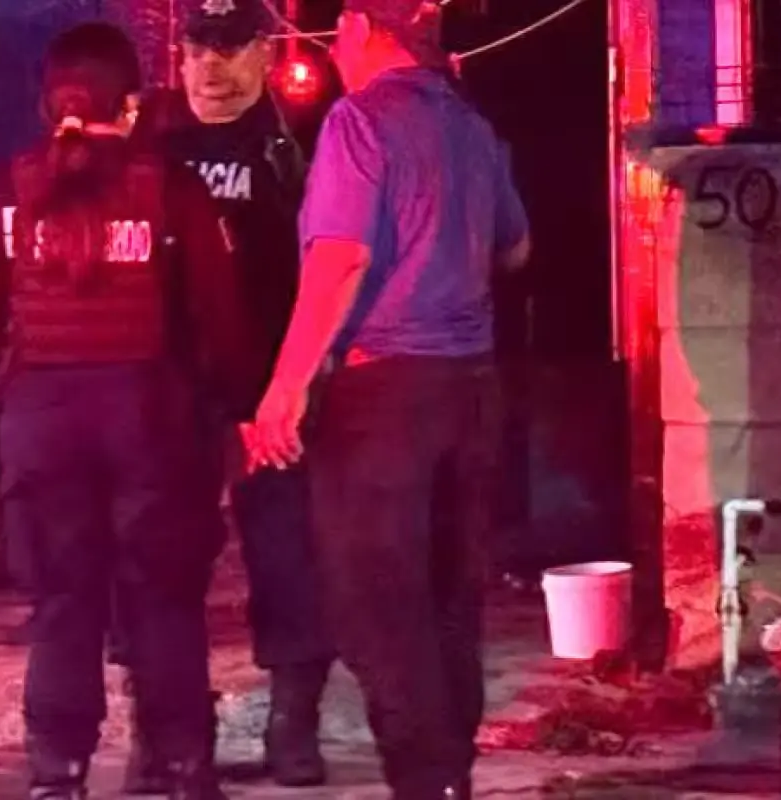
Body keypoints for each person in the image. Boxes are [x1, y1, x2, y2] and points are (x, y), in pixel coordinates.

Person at [0, 22, 252, 800]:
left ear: (48, 104)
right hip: (152, 423)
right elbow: (220, 317)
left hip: (42, 426)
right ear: (131, 106)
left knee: (63, 605)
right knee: (165, 602)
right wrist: (242, 415)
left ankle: (58, 774)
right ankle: (181, 767)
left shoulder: (0, 192)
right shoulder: (174, 190)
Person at [250, 2, 531, 798]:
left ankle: (424, 780)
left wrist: (286, 386)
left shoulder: (358, 122)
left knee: (379, 608)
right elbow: (517, 245)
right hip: (471, 389)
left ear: (359, 29)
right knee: (450, 600)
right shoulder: (472, 129)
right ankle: (450, 779)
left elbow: (340, 261)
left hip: (384, 398)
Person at [110, 0, 335, 791]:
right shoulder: (150, 140)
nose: (210, 65)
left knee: (291, 557)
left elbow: (333, 263)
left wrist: (299, 380)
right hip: (168, 397)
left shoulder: (299, 142)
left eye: (231, 47)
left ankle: (294, 728)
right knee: (151, 565)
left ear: (266, 52)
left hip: (272, 394)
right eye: (198, 47)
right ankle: (163, 732)